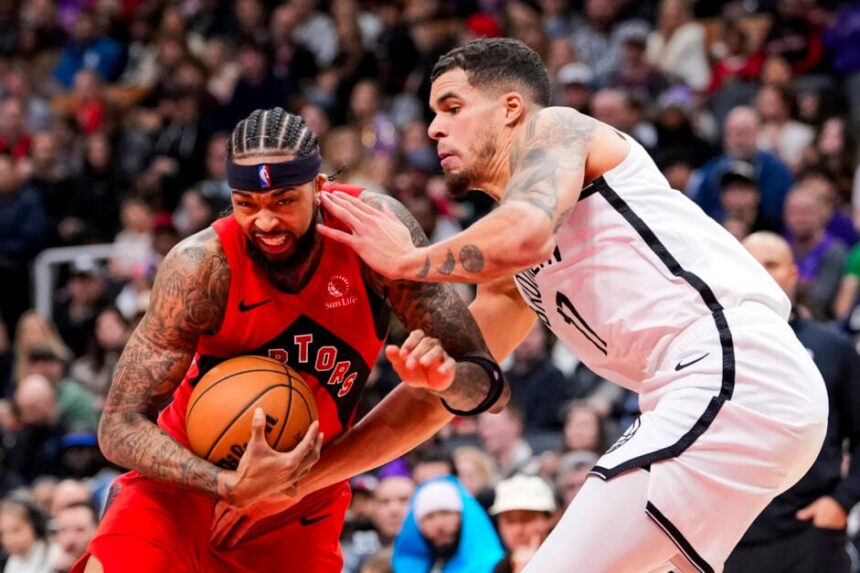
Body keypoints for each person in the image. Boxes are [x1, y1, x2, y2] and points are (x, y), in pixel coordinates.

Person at [319, 38, 828, 573]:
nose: (433, 129)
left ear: (511, 107)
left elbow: (528, 233)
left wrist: (407, 260)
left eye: (452, 107)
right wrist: (302, 479)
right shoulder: (508, 267)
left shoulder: (558, 128)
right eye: (432, 114)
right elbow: (449, 392)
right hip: (706, 397)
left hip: (731, 371)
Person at [72, 108, 506, 573]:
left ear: (318, 187)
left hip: (303, 495)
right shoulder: (201, 266)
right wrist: (226, 484)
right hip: (186, 482)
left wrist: (446, 382)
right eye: (247, 203)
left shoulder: (370, 230)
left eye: (283, 202)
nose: (264, 222)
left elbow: (490, 387)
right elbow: (117, 427)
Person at [724, 232, 860, 573]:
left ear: (793, 274)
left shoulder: (833, 348)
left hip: (810, 531)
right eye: (751, 264)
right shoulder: (711, 345)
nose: (760, 273)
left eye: (771, 264)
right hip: (730, 532)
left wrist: (842, 501)